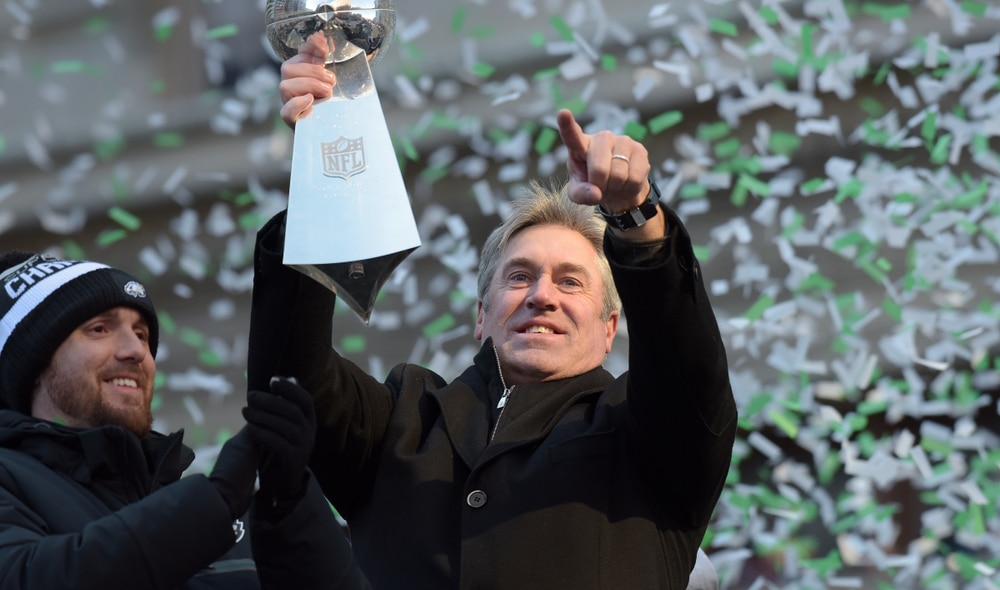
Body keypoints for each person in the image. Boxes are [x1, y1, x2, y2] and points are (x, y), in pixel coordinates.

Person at [248, 49, 736, 588]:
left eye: (570, 281)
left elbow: (687, 368)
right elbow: (286, 384)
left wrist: (636, 216)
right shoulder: (401, 421)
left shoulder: (646, 434)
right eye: (520, 277)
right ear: (483, 315)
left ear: (608, 328)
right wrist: (321, 167)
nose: (541, 296)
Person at [0, 250, 369, 589]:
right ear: (33, 364)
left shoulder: (228, 515)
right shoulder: (11, 484)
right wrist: (213, 501)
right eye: (99, 329)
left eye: (142, 335)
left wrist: (290, 507)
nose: (136, 352)